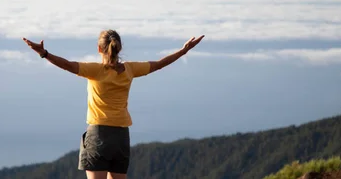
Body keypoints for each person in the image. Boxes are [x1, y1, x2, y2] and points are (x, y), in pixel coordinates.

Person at [22, 29, 204, 179]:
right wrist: (183, 51)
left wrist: (43, 53)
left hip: (98, 134)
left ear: (99, 49)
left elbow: (67, 65)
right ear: (119, 47)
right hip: (121, 136)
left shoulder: (95, 70)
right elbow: (158, 64)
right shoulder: (130, 69)